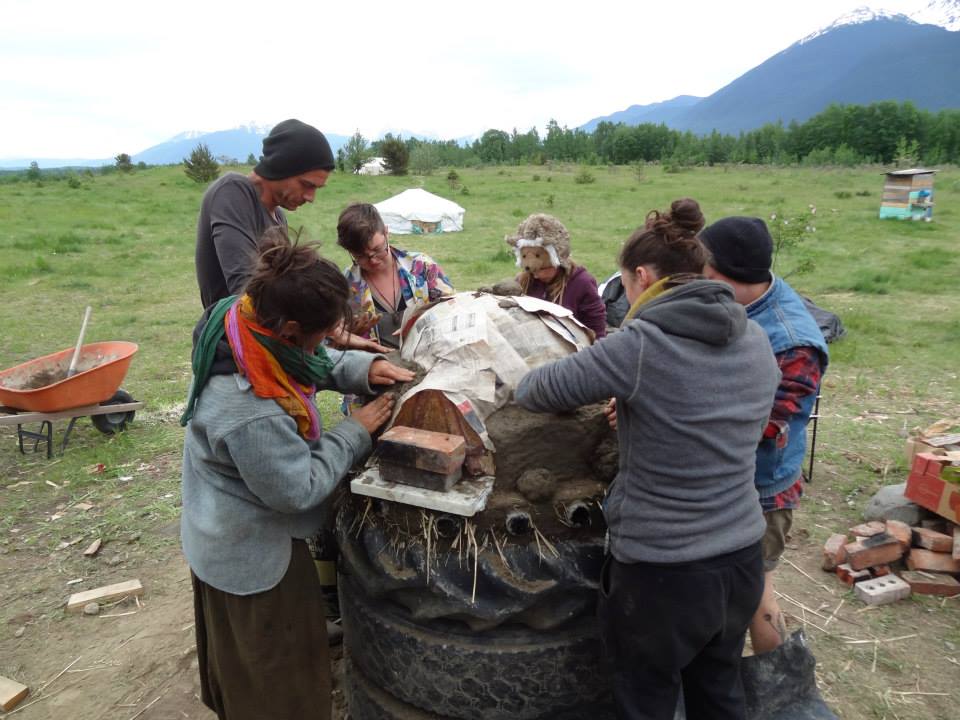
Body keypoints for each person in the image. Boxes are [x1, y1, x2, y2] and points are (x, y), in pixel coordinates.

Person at [515, 198, 779, 720]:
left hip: (665, 573)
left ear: (642, 277)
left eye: (626, 284)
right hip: (742, 555)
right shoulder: (755, 338)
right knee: (718, 689)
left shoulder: (640, 345)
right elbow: (709, 414)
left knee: (647, 702)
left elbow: (536, 390)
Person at [179, 228, 414, 720]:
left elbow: (305, 359)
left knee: (254, 664)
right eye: (321, 335)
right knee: (276, 675)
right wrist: (354, 432)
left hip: (222, 526)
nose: (326, 344)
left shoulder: (241, 319)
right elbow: (297, 490)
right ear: (288, 329)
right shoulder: (250, 409)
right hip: (249, 554)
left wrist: (361, 369)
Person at [700, 216, 828, 655]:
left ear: (719, 273)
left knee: (756, 591)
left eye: (702, 269)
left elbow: (767, 425)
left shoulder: (792, 344)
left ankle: (774, 678)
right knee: (719, 587)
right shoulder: (737, 302)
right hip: (726, 477)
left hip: (762, 491)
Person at [195, 118, 335, 309]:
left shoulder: (278, 217)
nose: (311, 197)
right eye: (306, 185)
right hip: (234, 327)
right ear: (281, 167)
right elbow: (247, 290)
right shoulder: (232, 191)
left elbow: (281, 286)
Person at [337, 202, 454, 350]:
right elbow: (331, 343)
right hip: (377, 363)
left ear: (386, 232)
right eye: (361, 256)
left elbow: (453, 309)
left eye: (378, 250)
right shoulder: (345, 287)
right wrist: (349, 337)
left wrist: (421, 320)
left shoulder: (422, 266)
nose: (373, 260)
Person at [506, 213, 607, 339]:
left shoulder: (582, 283)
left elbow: (596, 332)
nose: (537, 274)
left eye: (543, 268)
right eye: (534, 270)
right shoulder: (523, 282)